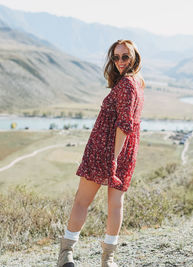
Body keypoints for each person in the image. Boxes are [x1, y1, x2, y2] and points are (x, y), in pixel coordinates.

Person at [57, 39, 145, 267]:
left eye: (125, 56)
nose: (120, 62)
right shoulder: (138, 82)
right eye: (116, 57)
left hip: (106, 149)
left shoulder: (126, 84)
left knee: (82, 202)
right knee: (115, 205)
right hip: (125, 150)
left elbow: (124, 124)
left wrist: (112, 159)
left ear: (135, 56)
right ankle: (108, 260)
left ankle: (66, 254)